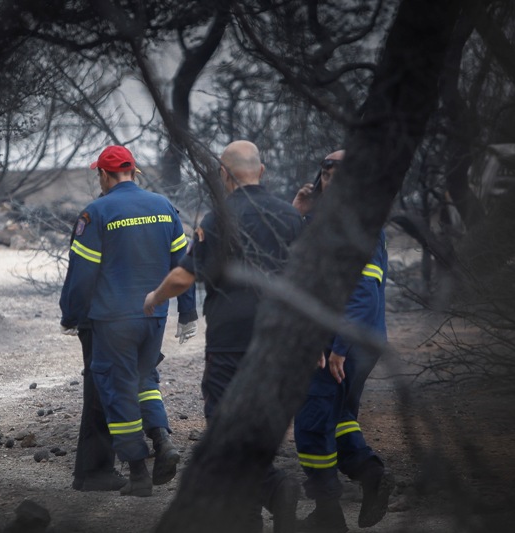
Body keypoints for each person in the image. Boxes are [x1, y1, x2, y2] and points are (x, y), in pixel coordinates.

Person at [144, 140, 304, 533]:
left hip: (232, 342)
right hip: (280, 341)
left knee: (224, 427)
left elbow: (185, 275)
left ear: (224, 175)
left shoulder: (220, 219)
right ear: (261, 171)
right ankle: (247, 516)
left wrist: (155, 297)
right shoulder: (291, 217)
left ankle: (273, 488)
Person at [59, 145, 197, 497]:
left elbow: (83, 275)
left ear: (104, 176)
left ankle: (137, 473)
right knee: (144, 380)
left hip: (113, 321)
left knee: (117, 390)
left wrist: (71, 316)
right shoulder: (164, 208)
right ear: (133, 171)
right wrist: (187, 312)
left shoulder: (97, 212)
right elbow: (183, 265)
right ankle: (162, 439)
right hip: (155, 317)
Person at [291, 150, 392, 533]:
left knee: (313, 424)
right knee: (340, 417)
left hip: (341, 344)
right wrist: (297, 212)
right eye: (325, 173)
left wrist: (337, 348)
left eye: (339, 174)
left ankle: (329, 515)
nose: (329, 180)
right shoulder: (325, 221)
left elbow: (364, 292)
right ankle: (370, 476)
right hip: (347, 342)